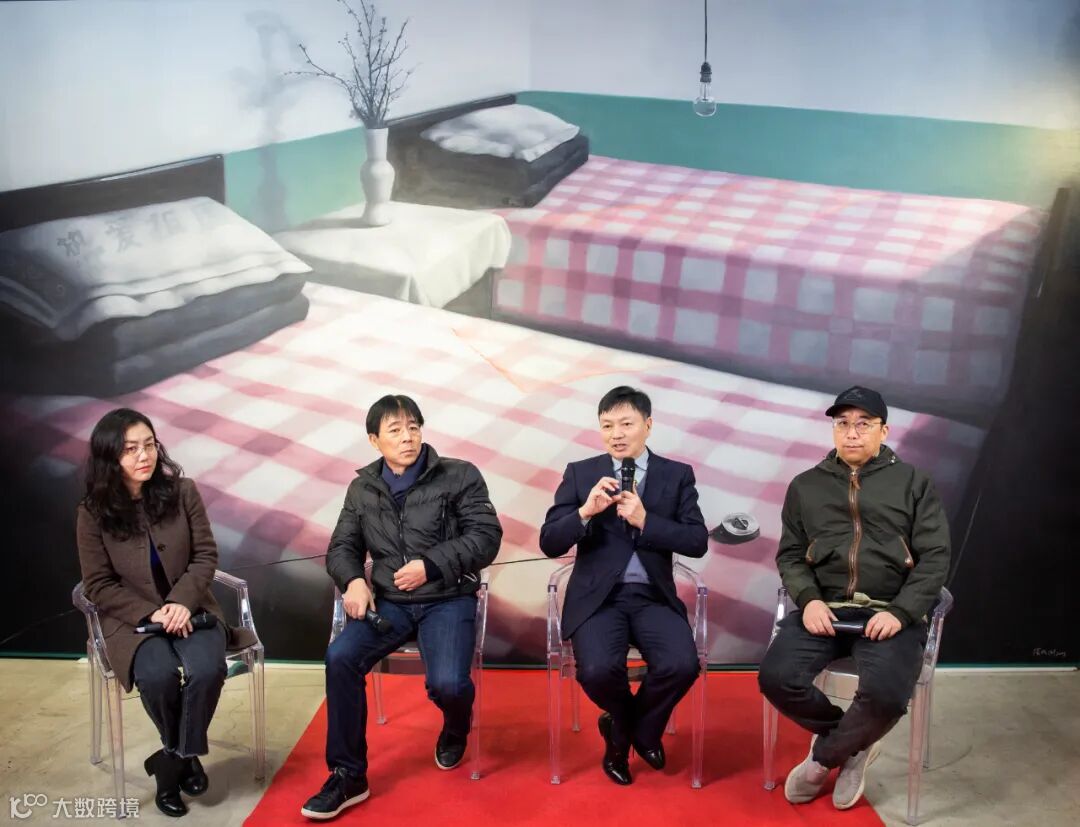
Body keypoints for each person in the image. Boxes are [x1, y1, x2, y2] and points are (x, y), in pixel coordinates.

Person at [302, 394, 503, 821]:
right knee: (340, 657)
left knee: (448, 685)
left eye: (413, 427)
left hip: (446, 599)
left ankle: (456, 726)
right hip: (389, 604)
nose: (408, 437)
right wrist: (353, 580)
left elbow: (486, 537)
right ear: (374, 440)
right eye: (395, 430)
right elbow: (342, 546)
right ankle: (348, 774)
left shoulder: (460, 474)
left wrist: (431, 565)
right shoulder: (362, 488)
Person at [758, 386, 951, 810]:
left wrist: (902, 612)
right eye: (842, 423)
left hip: (888, 613)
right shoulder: (806, 486)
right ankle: (855, 741)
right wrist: (808, 599)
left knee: (886, 694)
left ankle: (824, 758)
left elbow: (936, 557)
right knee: (776, 677)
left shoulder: (914, 483)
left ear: (884, 431)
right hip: (825, 609)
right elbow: (791, 554)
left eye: (864, 424)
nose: (852, 433)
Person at [76, 408, 256, 818]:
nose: (144, 455)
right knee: (157, 677)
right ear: (109, 457)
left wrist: (181, 602)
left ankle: (170, 760)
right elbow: (98, 584)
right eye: (130, 449)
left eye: (149, 444)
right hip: (133, 623)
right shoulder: (92, 512)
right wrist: (153, 612)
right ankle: (185, 757)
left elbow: (205, 555)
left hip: (193, 610)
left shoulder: (183, 492)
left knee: (207, 670)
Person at [539, 386, 708, 786]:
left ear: (648, 425)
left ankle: (625, 733)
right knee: (597, 670)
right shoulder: (581, 473)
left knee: (682, 665)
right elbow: (549, 542)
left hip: (653, 597)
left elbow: (697, 541)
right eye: (607, 425)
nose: (616, 434)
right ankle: (634, 729)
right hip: (598, 599)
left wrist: (647, 521)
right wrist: (585, 512)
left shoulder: (676, 475)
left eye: (626, 424)